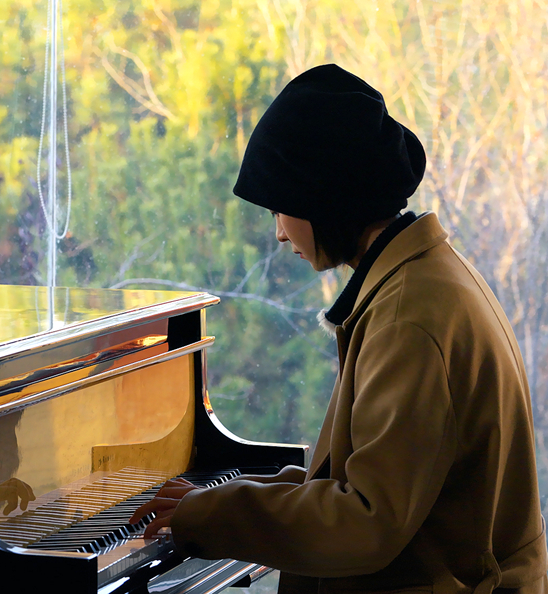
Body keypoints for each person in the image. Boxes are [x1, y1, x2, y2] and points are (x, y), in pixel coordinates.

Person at [130, 64, 547, 594]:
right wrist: (233, 496)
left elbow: (366, 521)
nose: (280, 234)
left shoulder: (409, 318)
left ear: (323, 198)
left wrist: (215, 515)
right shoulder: (427, 277)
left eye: (281, 209)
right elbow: (383, 487)